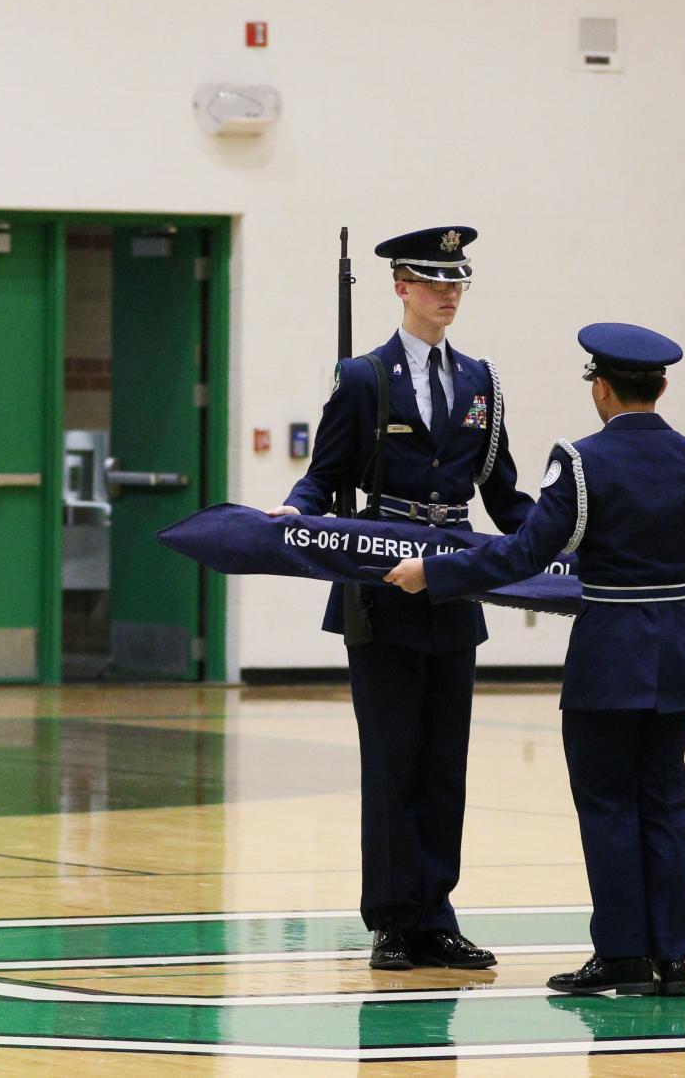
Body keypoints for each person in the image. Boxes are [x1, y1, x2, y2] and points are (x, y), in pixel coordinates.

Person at [387, 323, 685, 997]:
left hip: (609, 652)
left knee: (608, 805)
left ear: (600, 389)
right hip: (673, 652)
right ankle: (669, 955)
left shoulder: (580, 461)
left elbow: (521, 554)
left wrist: (435, 574)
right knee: (664, 805)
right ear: (661, 386)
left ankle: (621, 953)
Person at [268, 226, 533, 971]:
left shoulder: (481, 379)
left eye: (457, 281)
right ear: (400, 286)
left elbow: (504, 496)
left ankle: (435, 914)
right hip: (381, 588)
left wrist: (564, 541)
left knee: (445, 760)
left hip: (453, 585)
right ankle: (390, 915)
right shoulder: (363, 377)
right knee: (391, 757)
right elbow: (322, 473)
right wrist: (296, 511)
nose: (447, 293)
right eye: (433, 279)